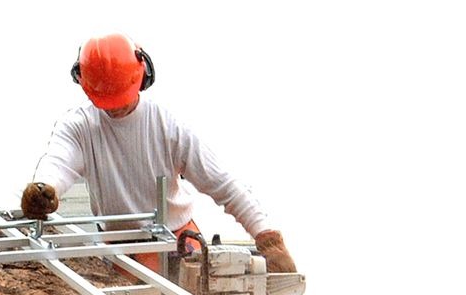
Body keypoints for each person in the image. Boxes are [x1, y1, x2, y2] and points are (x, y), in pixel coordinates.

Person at [21, 32, 297, 280]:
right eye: (108, 101)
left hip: (178, 243)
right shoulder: (79, 126)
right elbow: (58, 164)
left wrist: (266, 236)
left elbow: (222, 183)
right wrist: (44, 189)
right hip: (121, 250)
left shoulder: (167, 126)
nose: (115, 109)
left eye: (120, 98)